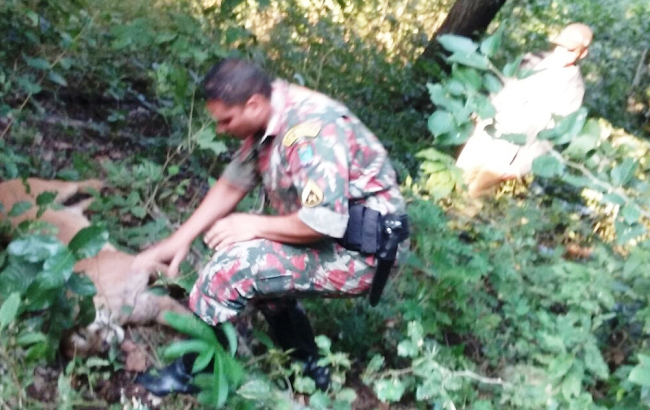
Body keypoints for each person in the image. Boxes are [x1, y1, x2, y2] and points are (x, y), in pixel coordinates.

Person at [132, 58, 408, 396]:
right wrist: (179, 240)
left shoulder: (310, 128)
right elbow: (234, 182)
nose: (221, 130)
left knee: (235, 266)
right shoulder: (269, 113)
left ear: (253, 105)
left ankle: (190, 372)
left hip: (362, 252)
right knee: (262, 268)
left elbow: (324, 220)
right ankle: (308, 367)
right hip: (333, 233)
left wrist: (254, 224)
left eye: (226, 121)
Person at [456, 23, 593, 198]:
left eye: (571, 50)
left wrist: (521, 167)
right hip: (488, 131)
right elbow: (501, 86)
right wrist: (481, 112)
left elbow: (553, 134)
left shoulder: (574, 89)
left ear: (582, 53)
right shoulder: (533, 59)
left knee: (472, 197)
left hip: (512, 151)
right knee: (457, 181)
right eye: (561, 46)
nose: (563, 51)